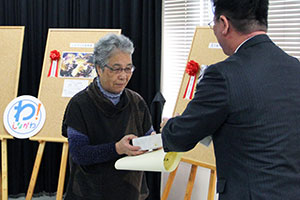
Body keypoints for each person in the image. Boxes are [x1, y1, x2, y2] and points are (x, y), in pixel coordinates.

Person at [161, 0, 300, 199]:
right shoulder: (294, 67)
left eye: (214, 24)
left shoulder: (223, 75)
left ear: (224, 24)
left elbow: (181, 137)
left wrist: (170, 126)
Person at [62, 33, 154, 200]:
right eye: (117, 68)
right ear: (99, 68)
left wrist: (157, 141)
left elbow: (149, 136)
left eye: (128, 68)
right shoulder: (80, 104)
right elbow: (79, 154)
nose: (123, 76)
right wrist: (117, 148)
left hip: (130, 191)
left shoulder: (137, 101)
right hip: (90, 192)